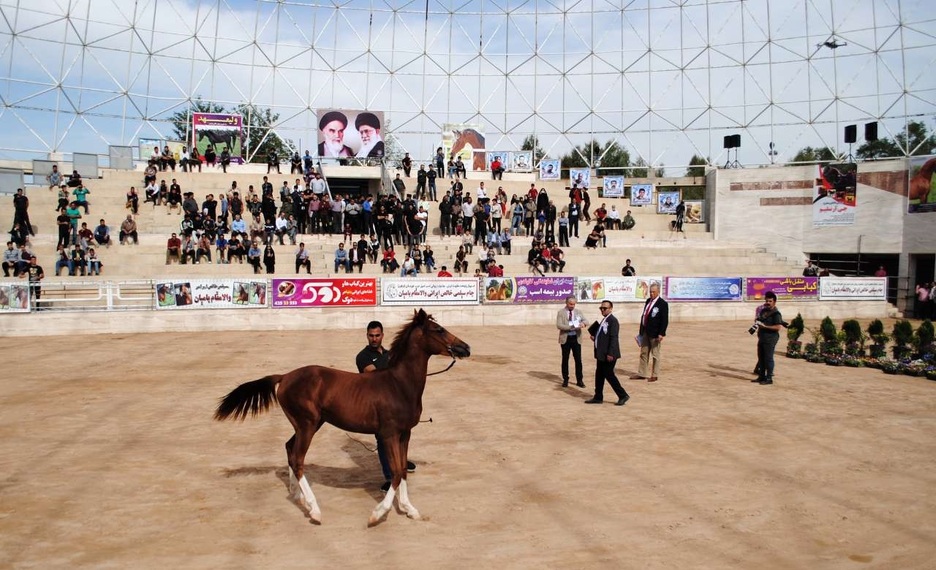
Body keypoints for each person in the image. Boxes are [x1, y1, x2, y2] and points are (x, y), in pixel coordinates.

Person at [355, 321, 416, 493]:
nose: (374, 339)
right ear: (367, 336)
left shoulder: (390, 354)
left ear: (382, 335)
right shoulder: (363, 357)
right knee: (383, 439)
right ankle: (389, 476)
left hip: (394, 402)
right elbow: (375, 376)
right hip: (375, 404)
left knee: (401, 434)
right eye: (371, 335)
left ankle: (401, 463)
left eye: (377, 335)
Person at [585, 301, 629, 406]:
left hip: (609, 354)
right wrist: (595, 338)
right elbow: (603, 335)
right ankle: (598, 396)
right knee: (599, 374)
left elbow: (613, 338)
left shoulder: (613, 321)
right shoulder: (604, 320)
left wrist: (610, 353)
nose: (602, 310)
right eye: (601, 308)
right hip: (601, 353)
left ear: (610, 309)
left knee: (609, 375)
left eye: (605, 308)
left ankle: (622, 395)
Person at [634, 283, 668, 382]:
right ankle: (642, 373)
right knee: (644, 353)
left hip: (655, 333)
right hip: (645, 331)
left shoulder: (662, 304)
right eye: (650, 292)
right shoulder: (648, 301)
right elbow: (645, 315)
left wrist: (661, 333)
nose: (651, 294)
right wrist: (641, 331)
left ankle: (655, 374)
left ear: (658, 292)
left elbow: (664, 320)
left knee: (655, 354)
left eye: (654, 292)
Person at [753, 291, 783, 385]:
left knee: (768, 358)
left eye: (770, 301)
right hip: (762, 337)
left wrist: (765, 326)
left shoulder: (776, 314)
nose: (768, 303)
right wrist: (757, 322)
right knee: (761, 357)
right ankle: (761, 376)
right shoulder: (763, 311)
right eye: (767, 301)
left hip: (770, 339)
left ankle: (769, 378)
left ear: (774, 302)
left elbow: (778, 327)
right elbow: (759, 320)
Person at [557, 296, 587, 388]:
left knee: (578, 360)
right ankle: (565, 379)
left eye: (574, 304)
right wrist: (571, 327)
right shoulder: (561, 312)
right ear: (566, 303)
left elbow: (586, 320)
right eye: (570, 304)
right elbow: (559, 325)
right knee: (565, 359)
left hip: (576, 338)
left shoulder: (578, 312)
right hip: (566, 339)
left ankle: (579, 380)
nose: (572, 306)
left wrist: (583, 323)